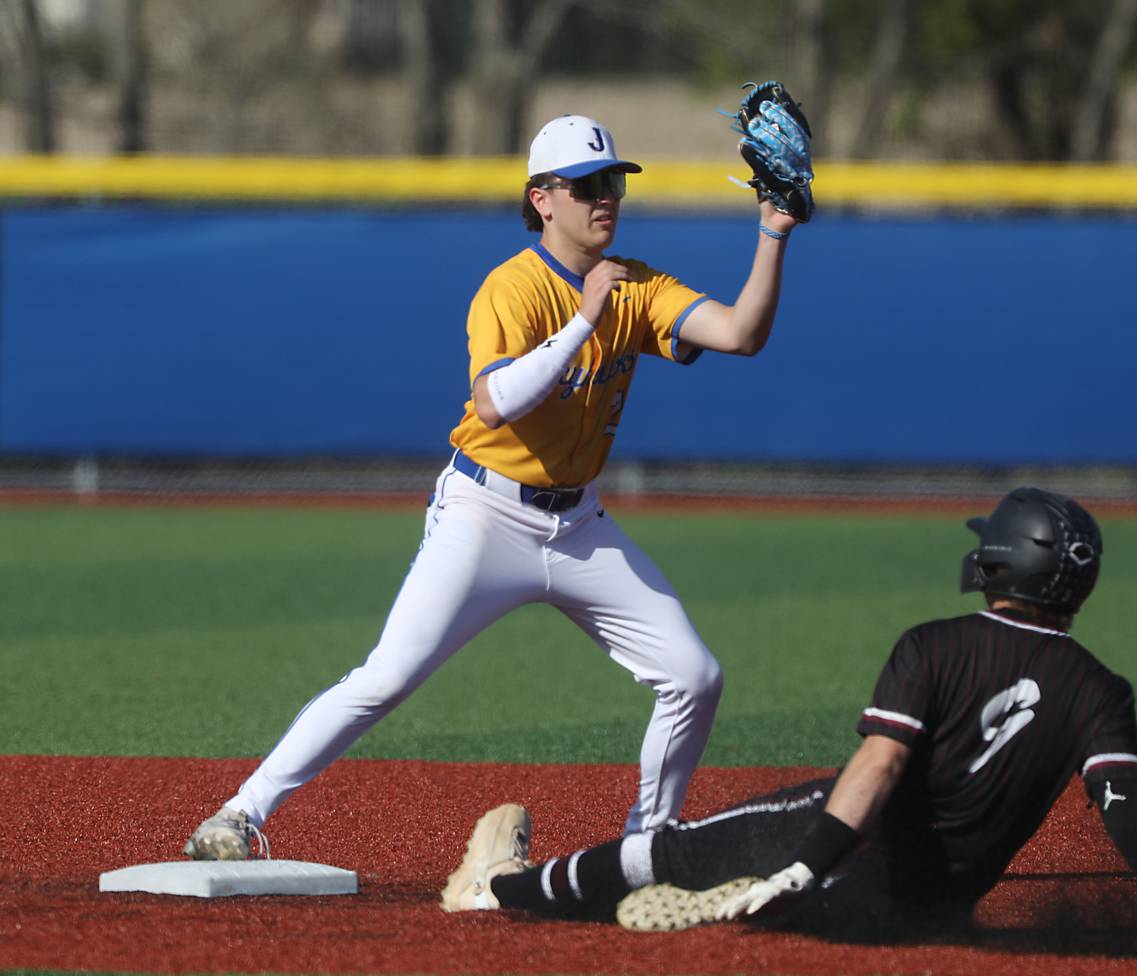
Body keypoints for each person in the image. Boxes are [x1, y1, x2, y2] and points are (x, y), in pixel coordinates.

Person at [183, 114, 802, 859]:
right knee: (387, 677)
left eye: (614, 182)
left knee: (695, 676)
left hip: (580, 527)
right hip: (486, 513)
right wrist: (582, 323)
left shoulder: (637, 284)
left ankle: (647, 844)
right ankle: (241, 813)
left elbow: (741, 334)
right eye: (586, 185)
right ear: (543, 198)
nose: (606, 197)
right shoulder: (512, 288)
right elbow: (493, 402)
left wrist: (773, 230)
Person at [440, 487, 1137, 949]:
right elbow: (1130, 816)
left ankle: (498, 892)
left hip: (850, 849)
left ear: (1000, 560)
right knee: (811, 884)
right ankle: (785, 897)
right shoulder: (1100, 689)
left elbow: (880, 768)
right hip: (932, 911)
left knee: (670, 845)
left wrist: (813, 863)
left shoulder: (936, 645)